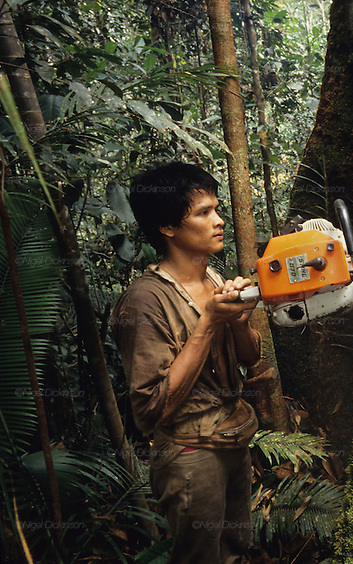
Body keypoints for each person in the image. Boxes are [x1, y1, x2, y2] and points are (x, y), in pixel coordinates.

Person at [111, 162, 261, 563]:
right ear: (168, 227)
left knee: (235, 549)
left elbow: (250, 357)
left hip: (232, 439)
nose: (219, 221)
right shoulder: (144, 302)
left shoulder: (213, 278)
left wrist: (241, 322)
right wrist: (210, 321)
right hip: (191, 455)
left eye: (217, 209)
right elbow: (149, 408)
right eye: (203, 213)